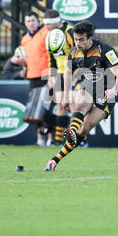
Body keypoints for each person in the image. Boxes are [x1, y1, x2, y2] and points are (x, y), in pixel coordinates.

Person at [44, 20, 118, 171]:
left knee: (85, 129)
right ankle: (66, 140)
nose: (78, 42)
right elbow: (68, 72)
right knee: (80, 99)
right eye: (76, 39)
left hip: (107, 92)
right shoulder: (74, 51)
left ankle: (57, 157)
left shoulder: (105, 50)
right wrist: (66, 95)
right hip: (90, 86)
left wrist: (115, 89)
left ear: (90, 38)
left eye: (81, 39)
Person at [12, 11, 52, 146]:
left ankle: (52, 140)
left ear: (38, 21)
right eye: (28, 21)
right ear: (25, 23)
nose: (31, 23)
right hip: (32, 76)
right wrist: (20, 63)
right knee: (37, 110)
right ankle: (40, 141)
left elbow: (52, 54)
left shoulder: (46, 33)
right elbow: (26, 59)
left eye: (33, 20)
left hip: (47, 75)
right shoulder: (25, 39)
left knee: (48, 107)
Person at [43, 9, 75, 146]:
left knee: (74, 106)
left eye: (48, 25)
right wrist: (52, 75)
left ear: (56, 22)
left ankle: (79, 139)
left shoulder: (70, 32)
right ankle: (58, 140)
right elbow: (51, 57)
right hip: (60, 74)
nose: (46, 28)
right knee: (60, 106)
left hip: (75, 73)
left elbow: (79, 53)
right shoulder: (50, 34)